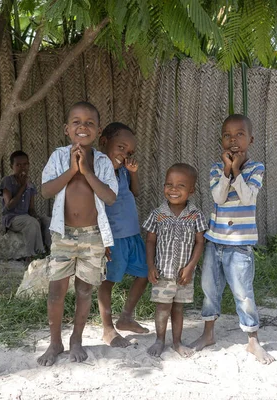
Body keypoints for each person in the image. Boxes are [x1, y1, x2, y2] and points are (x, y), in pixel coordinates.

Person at [36, 101, 118, 365]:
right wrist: (72, 170)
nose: (83, 127)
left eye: (89, 123)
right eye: (76, 122)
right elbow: (46, 191)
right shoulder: (59, 157)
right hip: (63, 235)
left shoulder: (103, 161)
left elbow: (110, 197)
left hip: (93, 237)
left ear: (98, 130)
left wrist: (87, 171)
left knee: (84, 291)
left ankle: (76, 340)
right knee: (56, 291)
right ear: (66, 129)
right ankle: (55, 342)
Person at [190, 114, 275, 365]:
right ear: (221, 140)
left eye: (239, 134)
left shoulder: (256, 168)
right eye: (227, 135)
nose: (233, 140)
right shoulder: (217, 168)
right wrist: (227, 170)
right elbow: (218, 197)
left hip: (239, 245)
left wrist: (237, 170)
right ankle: (208, 335)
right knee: (209, 290)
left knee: (243, 292)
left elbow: (248, 198)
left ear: (250, 139)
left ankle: (252, 341)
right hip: (215, 241)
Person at [143, 163, 207, 357]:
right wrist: (151, 266)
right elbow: (150, 241)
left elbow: (199, 243)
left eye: (180, 186)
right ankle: (160, 340)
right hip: (163, 272)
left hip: (183, 275)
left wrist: (190, 267)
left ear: (191, 190)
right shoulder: (157, 214)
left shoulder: (196, 215)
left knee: (178, 308)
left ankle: (177, 342)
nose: (173, 189)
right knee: (162, 307)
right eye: (169, 184)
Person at [97, 122, 150, 348]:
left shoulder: (123, 172)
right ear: (104, 142)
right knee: (108, 281)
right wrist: (102, 239)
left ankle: (126, 317)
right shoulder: (97, 171)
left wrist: (132, 173)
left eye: (129, 152)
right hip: (113, 237)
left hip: (132, 234)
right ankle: (107, 328)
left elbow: (135, 193)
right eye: (120, 147)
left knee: (146, 272)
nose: (124, 154)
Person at [0, 150, 51, 259]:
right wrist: (22, 187)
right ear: (11, 166)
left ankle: (50, 251)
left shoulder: (30, 185)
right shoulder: (7, 181)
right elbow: (9, 206)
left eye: (25, 164)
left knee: (47, 221)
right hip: (11, 218)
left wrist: (36, 216)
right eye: (18, 165)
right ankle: (31, 255)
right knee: (31, 222)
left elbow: (31, 209)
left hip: (26, 217)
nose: (22, 168)